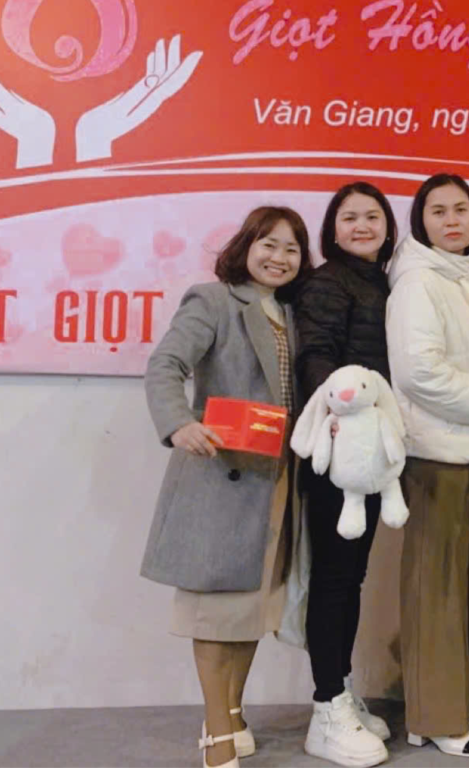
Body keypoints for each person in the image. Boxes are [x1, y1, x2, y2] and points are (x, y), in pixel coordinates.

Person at [141, 205, 311, 768]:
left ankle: (233, 714)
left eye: (291, 248)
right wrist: (179, 424)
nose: (279, 257)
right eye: (269, 244)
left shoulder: (294, 313)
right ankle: (215, 733)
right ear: (246, 247)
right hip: (222, 476)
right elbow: (165, 364)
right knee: (216, 613)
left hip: (276, 478)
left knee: (251, 610)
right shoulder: (213, 300)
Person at [387, 173, 469, 759]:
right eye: (437, 211)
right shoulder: (418, 281)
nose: (451, 220)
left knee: (460, 590)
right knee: (434, 591)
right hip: (435, 455)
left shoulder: (467, 277)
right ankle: (434, 717)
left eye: (461, 208)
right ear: (422, 223)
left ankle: (449, 706)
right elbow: (419, 373)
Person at [295, 182, 398, 768]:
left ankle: (340, 689)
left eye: (372, 216)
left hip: (373, 456)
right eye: (350, 217)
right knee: (335, 579)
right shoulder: (327, 282)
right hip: (337, 452)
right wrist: (336, 419)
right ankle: (326, 707)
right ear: (332, 230)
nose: (362, 225)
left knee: (351, 578)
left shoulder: (384, 281)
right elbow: (316, 354)